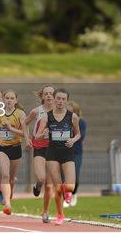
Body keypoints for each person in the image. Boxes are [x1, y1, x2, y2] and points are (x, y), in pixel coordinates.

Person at [35, 88, 81, 226]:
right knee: (57, 187)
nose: (60, 101)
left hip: (67, 153)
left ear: (66, 101)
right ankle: (60, 214)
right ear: (54, 99)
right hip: (52, 154)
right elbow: (37, 135)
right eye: (58, 98)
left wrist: (73, 140)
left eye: (63, 99)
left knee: (70, 187)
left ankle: (68, 194)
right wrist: (43, 134)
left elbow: (78, 134)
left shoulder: (72, 117)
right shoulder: (46, 116)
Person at [0, 90, 27, 215]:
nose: (9, 100)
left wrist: (11, 128)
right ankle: (7, 204)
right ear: (3, 99)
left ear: (16, 100)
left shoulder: (20, 114)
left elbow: (24, 133)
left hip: (15, 147)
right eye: (7, 98)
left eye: (12, 98)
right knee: (5, 175)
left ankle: (6, 192)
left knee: (11, 178)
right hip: (1, 148)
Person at [24, 84, 54, 223]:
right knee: (41, 178)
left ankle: (45, 212)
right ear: (42, 96)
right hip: (40, 147)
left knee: (50, 184)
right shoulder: (37, 111)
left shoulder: (61, 113)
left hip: (54, 149)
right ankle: (37, 185)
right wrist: (27, 138)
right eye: (46, 93)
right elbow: (25, 123)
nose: (49, 95)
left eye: (51, 94)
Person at [65, 101, 86, 207]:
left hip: (76, 152)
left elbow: (80, 137)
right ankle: (66, 196)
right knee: (64, 175)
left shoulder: (81, 122)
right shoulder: (62, 121)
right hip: (64, 151)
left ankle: (74, 193)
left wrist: (71, 139)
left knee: (75, 175)